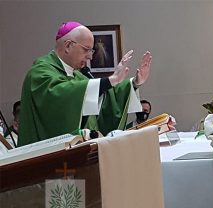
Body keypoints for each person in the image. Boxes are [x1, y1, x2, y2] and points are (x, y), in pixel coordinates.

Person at [18, 21, 152, 146]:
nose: (90, 56)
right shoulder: (40, 72)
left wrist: (135, 83)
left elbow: (104, 100)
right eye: (86, 49)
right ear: (68, 46)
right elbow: (62, 97)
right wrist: (112, 80)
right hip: (44, 161)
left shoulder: (77, 75)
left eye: (91, 50)